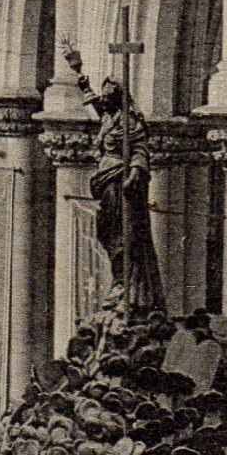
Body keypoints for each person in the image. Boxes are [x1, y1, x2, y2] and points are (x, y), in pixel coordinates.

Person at [63, 43, 166, 313]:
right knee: (107, 232)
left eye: (108, 96)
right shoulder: (109, 118)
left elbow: (140, 152)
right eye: (104, 97)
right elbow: (96, 106)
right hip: (105, 181)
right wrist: (79, 75)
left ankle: (126, 284)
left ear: (118, 97)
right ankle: (119, 280)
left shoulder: (130, 123)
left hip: (121, 183)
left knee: (124, 235)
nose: (104, 100)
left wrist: (133, 175)